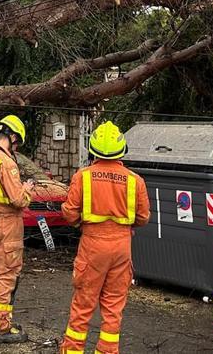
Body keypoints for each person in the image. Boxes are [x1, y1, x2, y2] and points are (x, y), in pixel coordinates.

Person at [59, 121, 150, 354]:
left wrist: (83, 224)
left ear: (93, 150)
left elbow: (69, 212)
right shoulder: (135, 181)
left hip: (92, 246)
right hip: (121, 247)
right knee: (113, 307)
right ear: (122, 150)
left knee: (83, 304)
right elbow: (143, 217)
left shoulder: (83, 176)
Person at [0, 114, 35, 344]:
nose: (17, 146)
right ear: (11, 136)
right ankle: (0, 328)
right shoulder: (7, 163)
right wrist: (27, 187)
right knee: (7, 273)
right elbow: (18, 200)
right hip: (7, 222)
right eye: (17, 141)